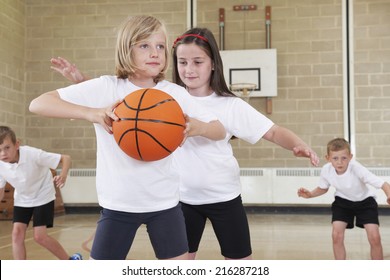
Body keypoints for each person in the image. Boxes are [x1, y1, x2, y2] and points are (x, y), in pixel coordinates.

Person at [50, 27, 319, 260]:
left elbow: (271, 131)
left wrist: (297, 144)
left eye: (197, 62)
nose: (189, 69)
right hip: (182, 198)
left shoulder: (229, 105)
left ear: (213, 63)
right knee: (184, 259)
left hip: (223, 196)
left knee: (240, 260)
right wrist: (84, 84)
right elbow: (126, 107)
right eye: (182, 62)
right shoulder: (163, 96)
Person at [29, 16, 226, 260]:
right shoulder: (106, 88)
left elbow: (220, 130)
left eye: (160, 46)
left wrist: (199, 127)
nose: (155, 53)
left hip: (165, 204)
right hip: (118, 205)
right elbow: (38, 104)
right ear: (126, 49)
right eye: (144, 45)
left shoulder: (174, 93)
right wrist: (91, 113)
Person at [298, 138, 390, 260]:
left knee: (374, 237)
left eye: (344, 158)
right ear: (328, 158)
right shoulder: (326, 170)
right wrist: (310, 194)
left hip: (365, 202)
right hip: (343, 203)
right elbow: (323, 188)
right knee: (336, 235)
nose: (340, 162)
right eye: (335, 158)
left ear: (350, 157)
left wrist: (389, 195)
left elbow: (383, 184)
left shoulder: (356, 168)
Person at [0, 126, 81, 260]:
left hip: (43, 195)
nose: (3, 153)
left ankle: (70, 261)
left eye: (7, 148)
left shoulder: (33, 154)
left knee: (40, 237)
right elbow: (1, 193)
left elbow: (65, 158)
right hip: (23, 198)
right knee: (17, 234)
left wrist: (64, 175)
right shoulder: (1, 165)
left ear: (17, 144)